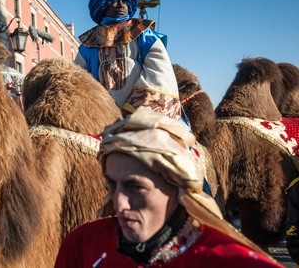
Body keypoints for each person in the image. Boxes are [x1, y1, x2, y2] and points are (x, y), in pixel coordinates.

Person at [54, 107, 283, 267]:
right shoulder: (82, 244)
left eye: (135, 187)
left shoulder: (232, 262)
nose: (119, 203)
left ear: (177, 188)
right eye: (112, 184)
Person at [75, 0, 180, 120]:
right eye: (114, 1)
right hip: (99, 118)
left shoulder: (144, 34)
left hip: (141, 118)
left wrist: (132, 111)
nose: (121, 5)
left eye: (124, 0)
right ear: (102, 5)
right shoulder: (89, 44)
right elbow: (76, 79)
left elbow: (159, 72)